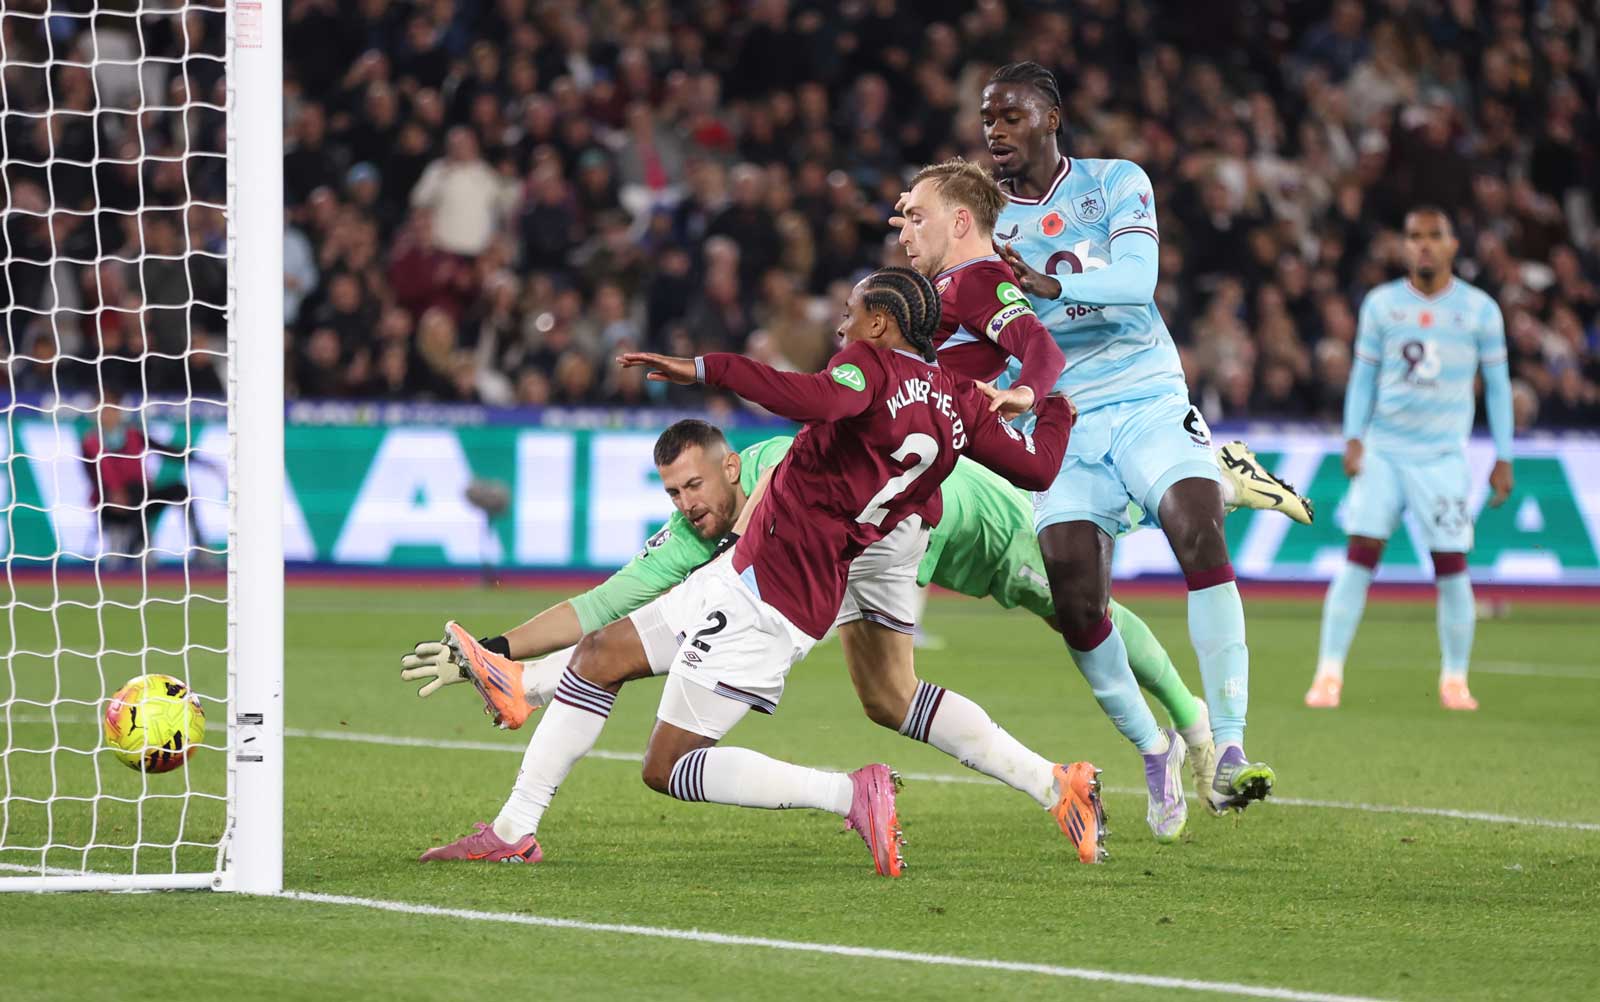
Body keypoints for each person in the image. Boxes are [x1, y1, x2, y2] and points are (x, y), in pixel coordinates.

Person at [415, 268, 1094, 874]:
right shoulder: (961, 401)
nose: (841, 323)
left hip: (775, 593)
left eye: (853, 312)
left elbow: (816, 400)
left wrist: (706, 369)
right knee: (600, 654)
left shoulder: (871, 368)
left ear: (882, 324)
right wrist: (1057, 408)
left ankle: (850, 794)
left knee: (667, 766)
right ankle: (514, 828)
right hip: (764, 571)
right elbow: (1037, 466)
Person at [977, 61, 1274, 813]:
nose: (996, 131)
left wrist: (1052, 285)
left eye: (1010, 116)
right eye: (988, 120)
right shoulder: (983, 223)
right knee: (1076, 598)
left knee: (1197, 532)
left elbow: (1138, 280)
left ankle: (1232, 742)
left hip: (1145, 394)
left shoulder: (1114, 182)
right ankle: (1155, 745)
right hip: (1061, 419)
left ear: (1050, 116)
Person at [1306, 207, 1513, 711]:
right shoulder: (1381, 305)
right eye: (1414, 236)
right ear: (1404, 245)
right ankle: (1328, 674)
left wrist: (1504, 454)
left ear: (1452, 245)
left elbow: (1500, 388)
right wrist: (1354, 437)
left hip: (1443, 457)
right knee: (1360, 555)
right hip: (1385, 452)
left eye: (1434, 236)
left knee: (1451, 563)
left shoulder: (1481, 309)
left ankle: (1455, 680)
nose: (1423, 245)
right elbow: (1362, 378)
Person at [80, 393, 204, 563]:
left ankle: (200, 548)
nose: (108, 414)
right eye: (103, 410)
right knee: (135, 492)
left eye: (112, 409)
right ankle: (133, 548)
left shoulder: (133, 435)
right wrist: (114, 492)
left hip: (140, 499)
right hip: (109, 504)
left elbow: (166, 450)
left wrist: (200, 460)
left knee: (180, 490)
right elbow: (94, 474)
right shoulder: (91, 442)